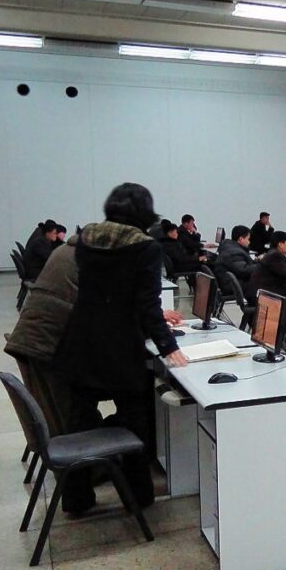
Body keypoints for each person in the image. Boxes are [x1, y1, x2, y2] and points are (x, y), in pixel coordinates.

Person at [54, 182, 189, 515]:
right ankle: (136, 495)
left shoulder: (86, 239)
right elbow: (146, 305)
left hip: (81, 341)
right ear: (145, 212)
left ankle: (76, 498)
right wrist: (170, 348)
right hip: (120, 346)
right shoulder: (145, 247)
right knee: (134, 420)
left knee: (78, 422)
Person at [214, 225, 258, 293]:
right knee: (264, 284)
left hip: (228, 282)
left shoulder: (230, 247)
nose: (249, 242)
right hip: (231, 285)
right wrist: (262, 266)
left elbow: (243, 265)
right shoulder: (234, 252)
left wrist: (258, 261)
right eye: (248, 239)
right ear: (241, 239)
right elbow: (243, 271)